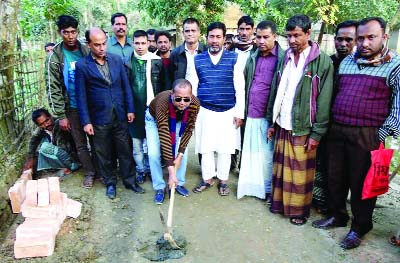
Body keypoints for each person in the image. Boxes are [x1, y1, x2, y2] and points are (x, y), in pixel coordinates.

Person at [312, 17, 400, 249]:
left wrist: (381, 134)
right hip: (338, 129)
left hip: (367, 134)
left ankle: (360, 226)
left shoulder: (395, 66)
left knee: (362, 184)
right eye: (360, 38)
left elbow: (398, 106)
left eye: (371, 37)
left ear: (384, 36)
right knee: (335, 177)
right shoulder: (348, 62)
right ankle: (337, 215)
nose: (364, 43)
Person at [267, 15, 334, 225]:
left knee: (299, 173)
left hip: (304, 125)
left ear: (308, 34)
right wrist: (272, 121)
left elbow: (324, 100)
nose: (293, 40)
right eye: (289, 36)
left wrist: (317, 133)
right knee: (280, 168)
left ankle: (298, 211)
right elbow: (276, 90)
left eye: (297, 35)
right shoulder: (284, 57)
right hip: (282, 121)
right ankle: (278, 204)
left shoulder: (321, 61)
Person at [76, 27, 144, 199]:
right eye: (97, 45)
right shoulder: (82, 66)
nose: (101, 48)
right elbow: (81, 96)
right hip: (98, 118)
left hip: (120, 114)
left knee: (125, 149)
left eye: (104, 44)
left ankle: (130, 181)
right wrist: (86, 121)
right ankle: (110, 183)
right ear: (89, 45)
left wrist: (130, 109)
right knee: (103, 153)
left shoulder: (116, 60)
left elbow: (125, 86)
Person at [192, 22, 245, 196]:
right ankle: (207, 178)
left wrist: (239, 113)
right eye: (211, 36)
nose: (215, 40)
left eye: (218, 37)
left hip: (228, 111)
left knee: (225, 148)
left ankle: (223, 180)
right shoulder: (197, 59)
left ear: (224, 38)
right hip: (204, 110)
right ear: (206, 37)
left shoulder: (233, 58)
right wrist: (192, 111)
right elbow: (193, 86)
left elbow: (240, 87)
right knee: (205, 147)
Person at [45, 15, 97, 189]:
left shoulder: (85, 51)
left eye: (73, 32)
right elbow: (53, 88)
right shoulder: (55, 57)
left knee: (97, 139)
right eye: (66, 32)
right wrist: (61, 115)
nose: (70, 36)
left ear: (77, 31)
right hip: (71, 106)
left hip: (90, 104)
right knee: (80, 142)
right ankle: (89, 173)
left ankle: (102, 170)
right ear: (60, 33)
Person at [312, 20, 358, 214]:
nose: (343, 44)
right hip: (325, 124)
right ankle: (322, 201)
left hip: (351, 128)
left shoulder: (361, 65)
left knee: (346, 171)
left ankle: (341, 210)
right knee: (323, 165)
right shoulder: (328, 61)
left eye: (349, 40)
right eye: (339, 39)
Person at [237, 21, 285, 201]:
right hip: (251, 113)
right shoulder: (252, 56)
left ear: (275, 36)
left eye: (266, 37)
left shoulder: (283, 58)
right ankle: (252, 187)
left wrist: (273, 119)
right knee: (250, 154)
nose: (262, 41)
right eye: (259, 37)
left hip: (269, 116)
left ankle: (267, 189)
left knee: (266, 155)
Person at [145, 79, 200, 204]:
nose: (182, 102)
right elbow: (164, 136)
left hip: (179, 120)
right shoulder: (162, 103)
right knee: (153, 154)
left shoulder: (195, 104)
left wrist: (179, 155)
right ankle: (160, 186)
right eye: (178, 99)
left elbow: (188, 129)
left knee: (183, 154)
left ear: (191, 97)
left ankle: (177, 183)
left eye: (186, 99)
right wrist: (171, 172)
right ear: (172, 95)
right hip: (154, 121)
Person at [125, 29, 165, 184]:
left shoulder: (156, 61)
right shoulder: (127, 62)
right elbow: (125, 88)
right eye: (137, 43)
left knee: (151, 143)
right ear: (132, 43)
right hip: (134, 111)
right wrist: (129, 109)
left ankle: (150, 169)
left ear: (149, 43)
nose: (140, 46)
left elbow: (163, 87)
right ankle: (140, 170)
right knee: (137, 145)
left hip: (152, 109)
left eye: (143, 43)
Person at [230, 15, 257, 175]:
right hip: (232, 100)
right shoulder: (230, 51)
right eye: (241, 29)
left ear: (253, 31)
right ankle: (231, 165)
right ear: (237, 30)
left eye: (248, 29)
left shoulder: (256, 52)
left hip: (251, 100)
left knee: (247, 134)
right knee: (232, 133)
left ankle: (244, 168)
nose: (244, 32)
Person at [23, 108, 80, 177]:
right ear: (39, 126)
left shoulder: (61, 124)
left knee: (45, 146)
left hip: (73, 158)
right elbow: (33, 141)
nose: (46, 124)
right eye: (41, 124)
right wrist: (30, 159)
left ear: (50, 116)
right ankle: (64, 169)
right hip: (62, 156)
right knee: (40, 151)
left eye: (47, 120)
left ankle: (71, 166)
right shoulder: (43, 129)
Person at [169, 18, 206, 96]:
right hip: (182, 100)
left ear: (199, 32)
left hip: (204, 97)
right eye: (187, 31)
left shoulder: (207, 52)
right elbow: (169, 80)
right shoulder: (175, 54)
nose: (190, 34)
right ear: (183, 33)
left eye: (193, 30)